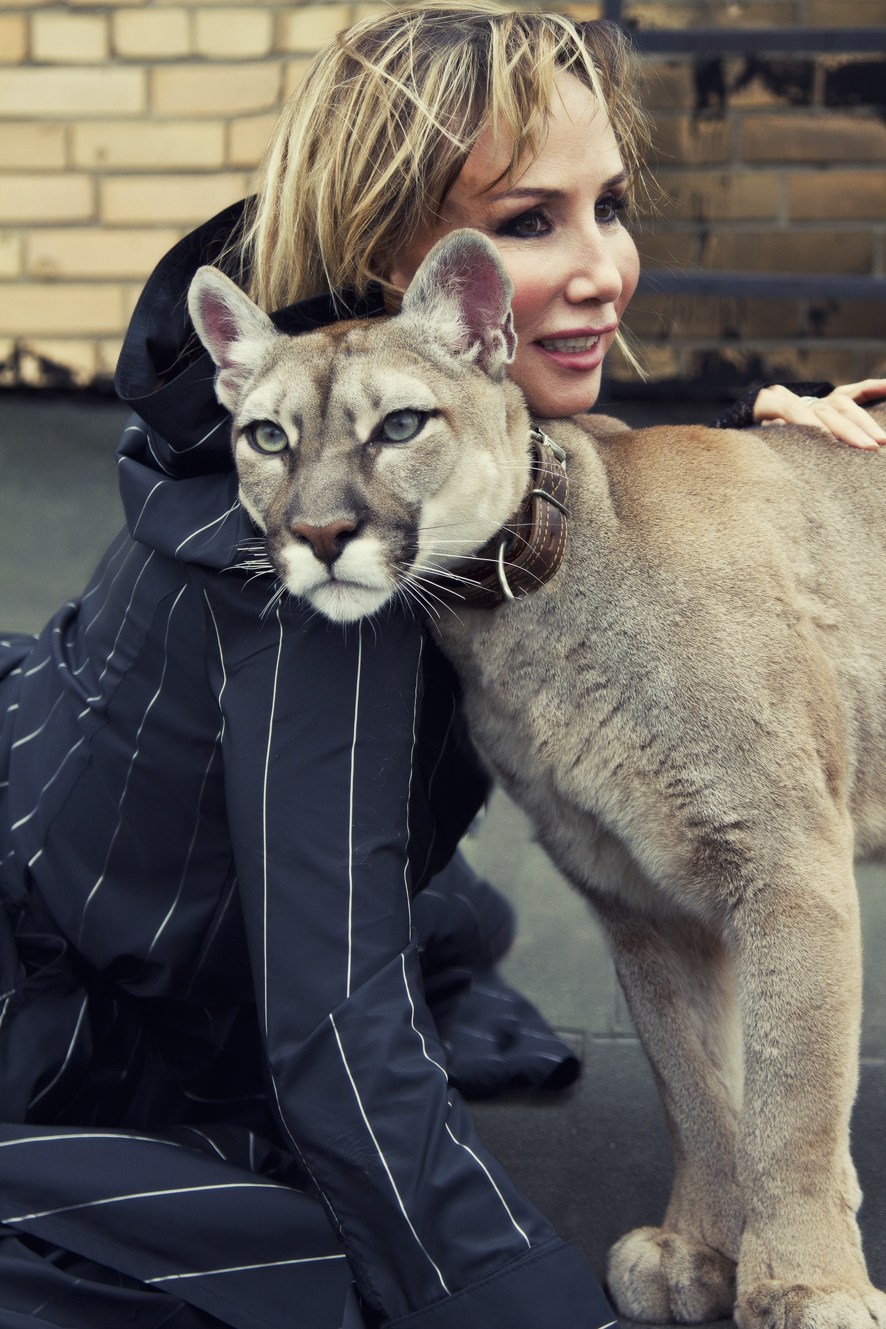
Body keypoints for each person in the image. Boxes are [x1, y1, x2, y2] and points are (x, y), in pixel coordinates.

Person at [0, 7, 884, 1329]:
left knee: (487, 912)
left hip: (101, 806)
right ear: (388, 269)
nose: (601, 268)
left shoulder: (442, 446)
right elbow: (336, 1043)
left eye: (609, 206)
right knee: (278, 1256)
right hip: (54, 965)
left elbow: (554, 495)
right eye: (529, 223)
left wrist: (773, 472)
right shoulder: (314, 594)